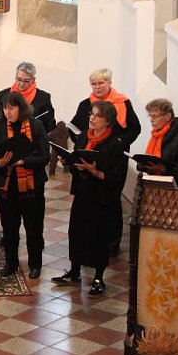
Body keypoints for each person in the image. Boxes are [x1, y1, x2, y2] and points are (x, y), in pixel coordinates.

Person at [51, 101, 126, 297]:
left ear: (108, 121)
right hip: (83, 193)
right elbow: (78, 162)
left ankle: (99, 278)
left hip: (102, 199)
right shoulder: (84, 137)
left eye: (97, 115)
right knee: (76, 232)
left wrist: (96, 171)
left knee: (98, 238)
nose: (91, 118)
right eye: (91, 114)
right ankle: (74, 271)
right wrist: (69, 161)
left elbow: (117, 178)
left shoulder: (114, 145)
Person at [70, 68, 140, 256]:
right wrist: (80, 143)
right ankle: (89, 239)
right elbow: (75, 127)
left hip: (114, 157)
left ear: (109, 83)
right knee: (88, 200)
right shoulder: (86, 104)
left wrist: (118, 142)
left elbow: (135, 128)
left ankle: (112, 242)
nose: (98, 87)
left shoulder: (122, 102)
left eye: (101, 83)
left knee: (111, 199)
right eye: (94, 84)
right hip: (90, 155)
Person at [0, 91, 50, 279]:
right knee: (9, 227)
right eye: (5, 108)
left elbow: (45, 156)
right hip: (6, 185)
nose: (8, 112)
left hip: (31, 186)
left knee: (33, 227)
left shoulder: (35, 125)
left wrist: (22, 162)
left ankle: (35, 264)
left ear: (21, 108)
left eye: (11, 107)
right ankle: (11, 263)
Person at [140, 98, 178, 189]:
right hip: (157, 190)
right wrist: (143, 164)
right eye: (150, 116)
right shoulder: (156, 137)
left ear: (167, 116)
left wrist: (164, 169)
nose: (151, 120)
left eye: (155, 116)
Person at [0, 62, 56, 135]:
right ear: (15, 77)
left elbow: (50, 124)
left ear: (33, 80)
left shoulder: (43, 98)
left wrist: (36, 130)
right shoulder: (3, 95)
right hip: (5, 138)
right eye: (19, 79)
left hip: (31, 141)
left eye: (26, 81)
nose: (22, 84)